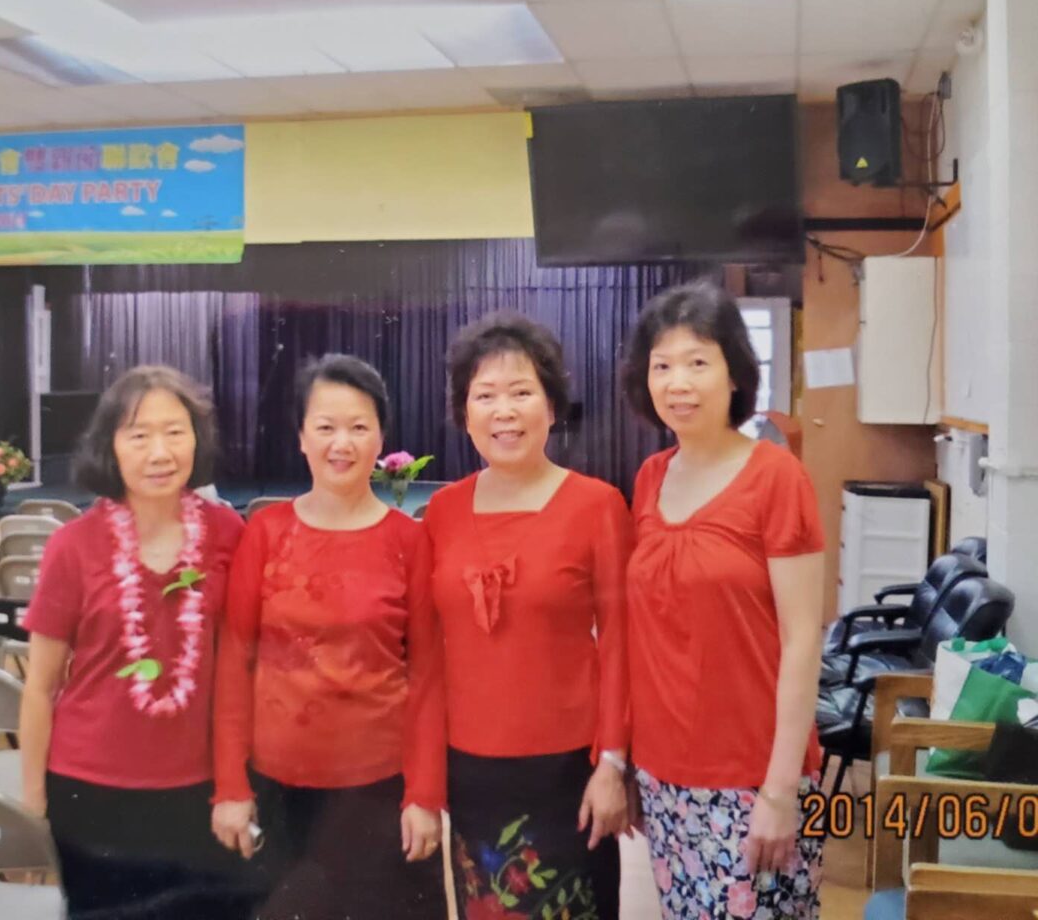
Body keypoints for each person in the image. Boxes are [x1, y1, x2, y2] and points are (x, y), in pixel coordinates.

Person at [211, 354, 446, 919]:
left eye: (359, 427)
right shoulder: (264, 533)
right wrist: (231, 787)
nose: (342, 443)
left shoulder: (408, 541)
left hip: (381, 790)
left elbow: (429, 676)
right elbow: (233, 665)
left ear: (381, 439)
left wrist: (424, 795)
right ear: (301, 438)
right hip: (279, 790)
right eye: (325, 427)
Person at [621, 282, 825, 920]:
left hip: (754, 774)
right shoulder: (650, 478)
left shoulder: (776, 477)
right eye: (662, 365)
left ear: (735, 374)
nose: (678, 382)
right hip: (664, 771)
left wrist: (781, 790)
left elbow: (802, 639)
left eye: (697, 362)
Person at [423, 313, 634, 920]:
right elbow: (430, 654)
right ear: (465, 413)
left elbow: (621, 644)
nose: (504, 412)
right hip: (471, 773)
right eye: (485, 396)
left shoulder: (597, 506)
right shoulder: (442, 512)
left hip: (569, 772)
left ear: (552, 405)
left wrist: (613, 764)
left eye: (521, 392)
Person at [19, 365, 248, 920]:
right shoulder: (72, 546)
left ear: (197, 439)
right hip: (90, 790)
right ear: (111, 446)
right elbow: (40, 686)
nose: (159, 452)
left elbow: (244, 671)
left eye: (175, 432)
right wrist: (33, 800)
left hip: (201, 789)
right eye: (139, 435)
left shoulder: (229, 534)